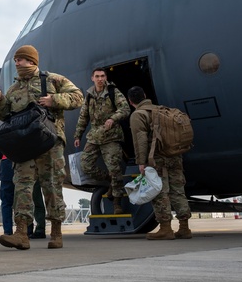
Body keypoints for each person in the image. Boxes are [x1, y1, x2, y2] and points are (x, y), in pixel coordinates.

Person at [0, 45, 83, 250]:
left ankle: (56, 233)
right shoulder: (13, 89)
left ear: (31, 61)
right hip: (24, 144)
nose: (17, 63)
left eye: (20, 59)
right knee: (22, 185)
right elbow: (6, 115)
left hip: (49, 141)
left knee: (51, 185)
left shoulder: (52, 80)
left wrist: (55, 100)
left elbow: (78, 97)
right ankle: (21, 233)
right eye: (15, 60)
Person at [127, 86, 192, 240]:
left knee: (160, 193)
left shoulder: (138, 115)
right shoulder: (162, 111)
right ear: (145, 95)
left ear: (130, 101)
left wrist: (141, 162)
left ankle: (165, 229)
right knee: (178, 191)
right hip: (175, 157)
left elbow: (140, 141)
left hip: (157, 160)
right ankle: (184, 228)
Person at [74, 68, 130, 215]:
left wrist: (113, 118)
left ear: (106, 78)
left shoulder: (113, 92)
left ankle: (117, 202)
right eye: (97, 76)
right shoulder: (89, 95)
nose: (100, 79)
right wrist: (77, 135)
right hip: (94, 137)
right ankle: (109, 180)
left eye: (102, 76)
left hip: (111, 136)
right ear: (92, 78)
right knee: (85, 165)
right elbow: (83, 117)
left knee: (115, 168)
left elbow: (125, 108)